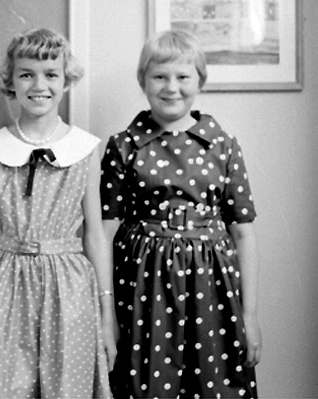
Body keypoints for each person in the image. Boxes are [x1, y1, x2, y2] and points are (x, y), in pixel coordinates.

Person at [100, 30, 261, 399]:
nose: (171, 87)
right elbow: (104, 234)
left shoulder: (223, 146)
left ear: (199, 80)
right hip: (143, 289)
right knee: (148, 381)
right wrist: (106, 315)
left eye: (183, 77)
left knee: (215, 382)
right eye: (159, 76)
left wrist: (249, 315)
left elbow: (244, 234)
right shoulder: (123, 146)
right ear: (143, 80)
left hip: (213, 286)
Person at [0, 28, 117, 399]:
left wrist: (107, 314)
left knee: (66, 387)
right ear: (11, 81)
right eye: (26, 75)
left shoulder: (85, 148)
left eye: (51, 75)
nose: (39, 85)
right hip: (4, 283)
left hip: (69, 286)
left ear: (66, 80)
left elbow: (95, 236)